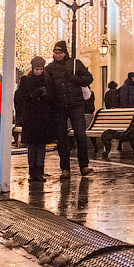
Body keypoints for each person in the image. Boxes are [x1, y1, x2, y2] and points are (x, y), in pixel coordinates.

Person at [45, 41, 94, 177]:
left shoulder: (75, 64)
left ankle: (84, 165)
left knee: (81, 135)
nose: (57, 55)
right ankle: (65, 168)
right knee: (61, 138)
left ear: (65, 53)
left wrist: (75, 79)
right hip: (59, 106)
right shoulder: (50, 68)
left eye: (59, 53)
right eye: (55, 53)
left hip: (75, 105)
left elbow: (88, 78)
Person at [15, 56, 55, 183]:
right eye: (37, 69)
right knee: (32, 146)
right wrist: (33, 95)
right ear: (33, 68)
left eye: (40, 69)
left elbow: (52, 96)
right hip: (31, 116)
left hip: (43, 116)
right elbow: (20, 97)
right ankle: (32, 172)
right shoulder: (26, 80)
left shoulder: (47, 80)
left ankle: (40, 172)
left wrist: (46, 95)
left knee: (41, 146)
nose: (39, 71)